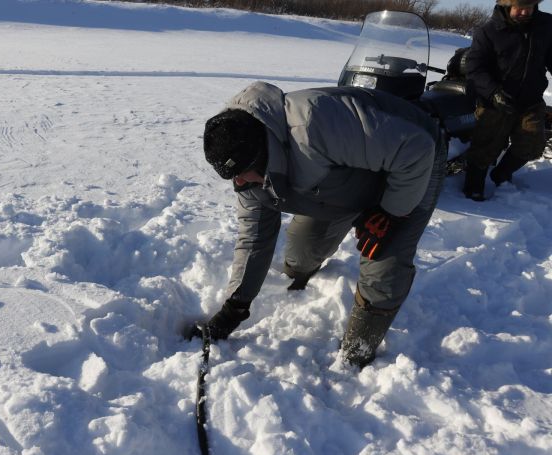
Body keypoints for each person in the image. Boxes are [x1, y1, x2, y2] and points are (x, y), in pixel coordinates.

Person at [196, 81, 447, 369]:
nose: (237, 183)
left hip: (412, 162)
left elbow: (416, 149)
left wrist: (391, 213)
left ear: (262, 154)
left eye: (242, 174)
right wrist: (234, 307)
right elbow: (253, 238)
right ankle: (298, 276)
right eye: (231, 177)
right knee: (302, 250)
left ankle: (356, 355)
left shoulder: (314, 124)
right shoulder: (246, 172)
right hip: (341, 181)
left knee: (383, 266)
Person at [462, 0, 552, 201]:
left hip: (531, 99)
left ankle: (502, 174)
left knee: (533, 145)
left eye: (529, 7)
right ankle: (473, 186)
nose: (524, 12)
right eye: (519, 7)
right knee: (485, 147)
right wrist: (494, 92)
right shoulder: (488, 31)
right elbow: (474, 68)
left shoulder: (545, 26)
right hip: (495, 99)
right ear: (506, 6)